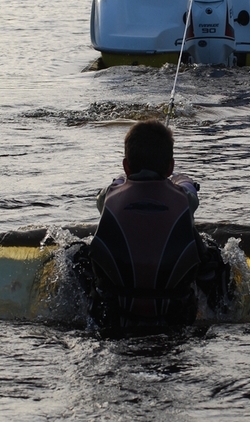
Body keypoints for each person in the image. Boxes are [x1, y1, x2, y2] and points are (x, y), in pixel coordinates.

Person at [76, 120, 233, 332]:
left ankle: (73, 311)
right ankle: (228, 312)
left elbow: (104, 195)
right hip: (175, 317)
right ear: (170, 166)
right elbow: (191, 193)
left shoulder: (110, 195)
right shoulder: (183, 198)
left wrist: (122, 180)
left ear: (126, 166)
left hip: (112, 316)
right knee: (210, 249)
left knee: (75, 252)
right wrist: (181, 180)